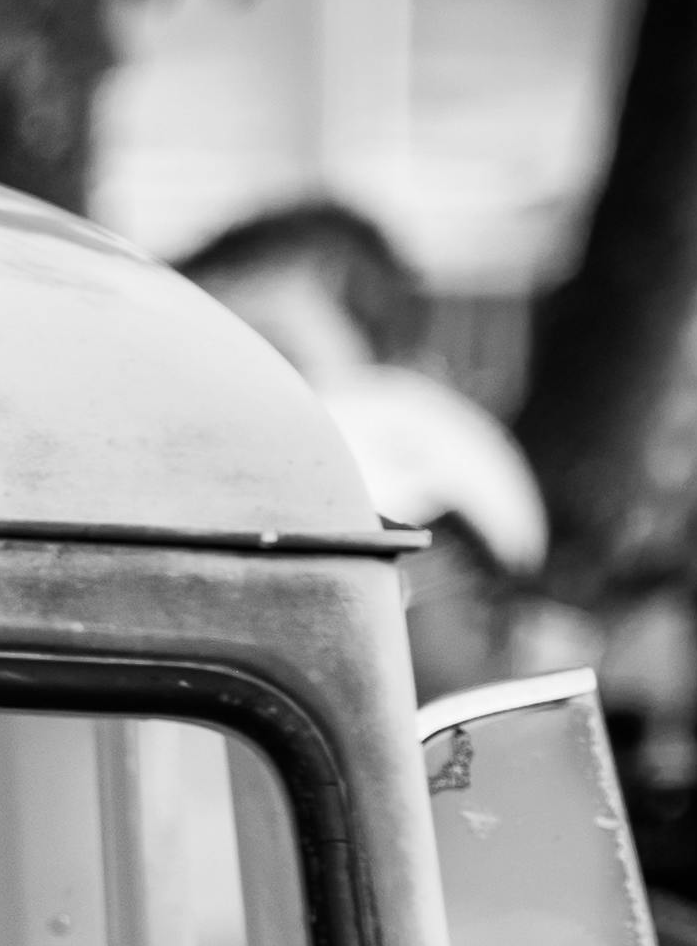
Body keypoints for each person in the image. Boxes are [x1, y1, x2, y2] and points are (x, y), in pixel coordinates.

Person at [179, 200, 553, 705]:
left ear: (384, 373)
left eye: (276, 352)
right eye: (204, 348)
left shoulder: (401, 487)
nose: (239, 379)